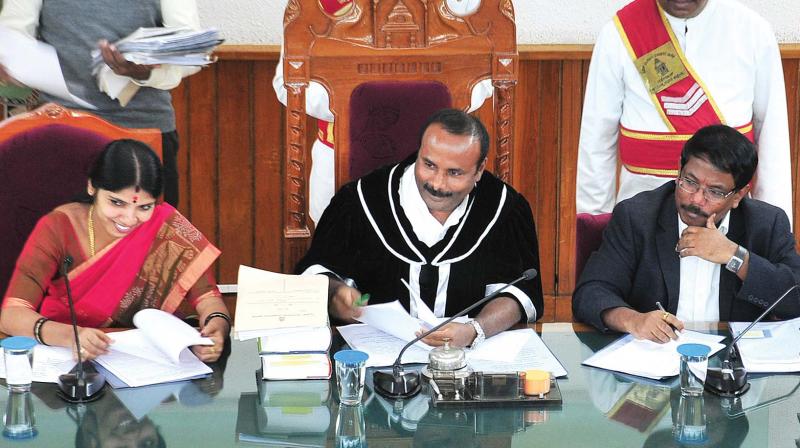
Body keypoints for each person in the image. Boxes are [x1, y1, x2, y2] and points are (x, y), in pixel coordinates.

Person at [296, 109, 543, 348]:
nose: (437, 183)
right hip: (376, 359)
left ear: (479, 170)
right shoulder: (362, 200)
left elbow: (516, 291)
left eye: (454, 173)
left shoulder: (504, 208)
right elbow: (318, 271)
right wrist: (337, 294)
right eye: (429, 165)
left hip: (467, 362)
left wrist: (475, 330)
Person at [0, 139, 230, 362]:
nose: (129, 219)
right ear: (92, 187)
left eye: (144, 207)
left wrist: (216, 328)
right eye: (116, 203)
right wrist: (71, 336)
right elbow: (11, 314)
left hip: (146, 362)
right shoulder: (58, 228)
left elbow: (209, 298)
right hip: (68, 360)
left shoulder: (166, 226)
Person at [572, 125, 800, 343]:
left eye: (715, 192)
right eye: (689, 182)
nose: (696, 199)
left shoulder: (766, 224)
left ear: (739, 195)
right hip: (655, 360)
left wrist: (735, 256)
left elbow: (795, 298)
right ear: (678, 171)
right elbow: (591, 292)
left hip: (734, 366)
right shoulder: (637, 217)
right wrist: (634, 320)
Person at [576, 0, 792, 223]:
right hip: (640, 220)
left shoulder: (753, 32)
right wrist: (594, 224)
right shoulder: (618, 33)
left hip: (728, 223)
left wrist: (774, 229)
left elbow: (772, 140)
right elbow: (597, 144)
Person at [0, 0, 203, 207]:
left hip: (141, 130)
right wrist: (9, 60)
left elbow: (192, 51)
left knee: (147, 235)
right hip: (61, 131)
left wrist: (147, 72)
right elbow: (13, 36)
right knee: (59, 233)